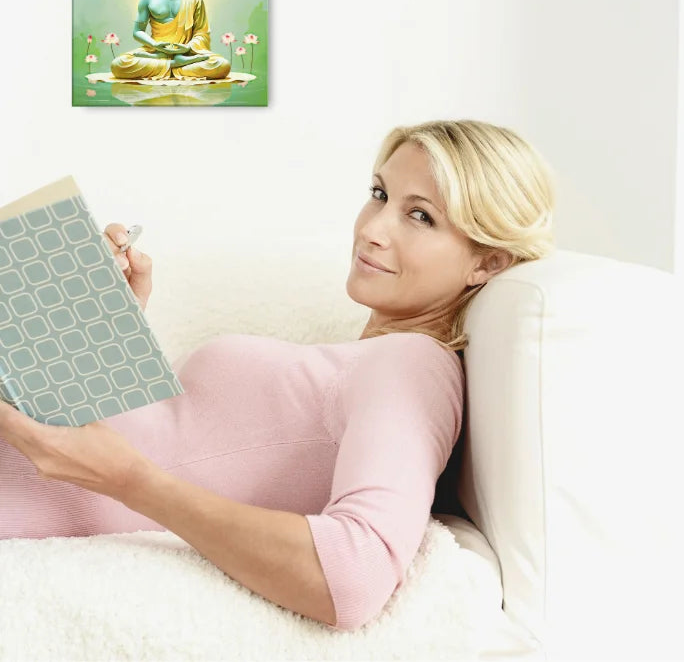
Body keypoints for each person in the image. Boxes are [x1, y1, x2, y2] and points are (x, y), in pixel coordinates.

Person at [0, 119, 557, 631]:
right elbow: (204, 446)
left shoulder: (415, 367)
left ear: (488, 262)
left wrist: (133, 482)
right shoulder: (364, 361)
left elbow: (353, 576)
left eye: (420, 216)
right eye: (380, 195)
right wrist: (102, 332)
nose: (373, 230)